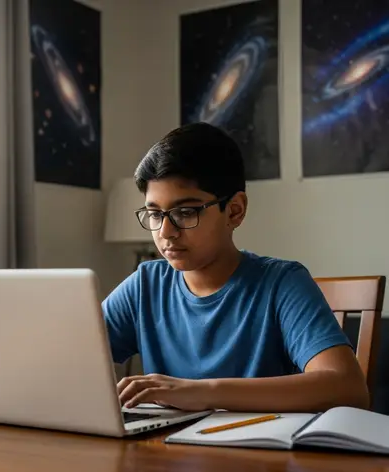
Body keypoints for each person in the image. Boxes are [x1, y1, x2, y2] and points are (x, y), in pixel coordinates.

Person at [102, 122, 369, 413]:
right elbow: (65, 361)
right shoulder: (145, 286)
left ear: (234, 211)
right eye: (155, 214)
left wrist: (201, 392)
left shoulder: (281, 283)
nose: (166, 231)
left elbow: (348, 388)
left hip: (257, 454)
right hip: (166, 454)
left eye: (185, 212)